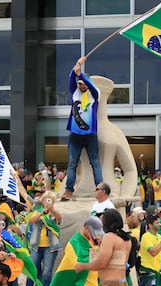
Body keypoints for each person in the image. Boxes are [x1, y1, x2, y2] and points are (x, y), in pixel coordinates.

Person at [61, 57, 103, 200]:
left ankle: (100, 189)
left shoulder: (94, 94)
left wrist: (81, 75)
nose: (82, 85)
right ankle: (68, 189)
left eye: (84, 83)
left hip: (90, 135)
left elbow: (91, 85)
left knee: (95, 163)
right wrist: (77, 67)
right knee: (72, 163)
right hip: (75, 135)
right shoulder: (75, 93)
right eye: (80, 83)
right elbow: (71, 79)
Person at [75, 209, 131, 286]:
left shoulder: (109, 237)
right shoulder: (126, 240)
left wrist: (82, 266)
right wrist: (101, 245)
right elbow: (116, 262)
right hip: (121, 285)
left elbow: (101, 264)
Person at [45, 216, 104, 286]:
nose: (96, 235)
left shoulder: (95, 242)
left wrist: (101, 247)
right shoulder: (75, 242)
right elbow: (75, 263)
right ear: (86, 228)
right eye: (94, 232)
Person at [28, 191, 62, 286]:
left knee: (47, 271)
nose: (47, 202)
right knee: (33, 269)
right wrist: (42, 213)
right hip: (36, 245)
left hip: (50, 246)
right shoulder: (37, 212)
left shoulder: (55, 212)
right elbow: (31, 221)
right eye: (46, 200)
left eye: (50, 200)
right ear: (42, 201)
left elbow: (59, 220)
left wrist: (52, 210)